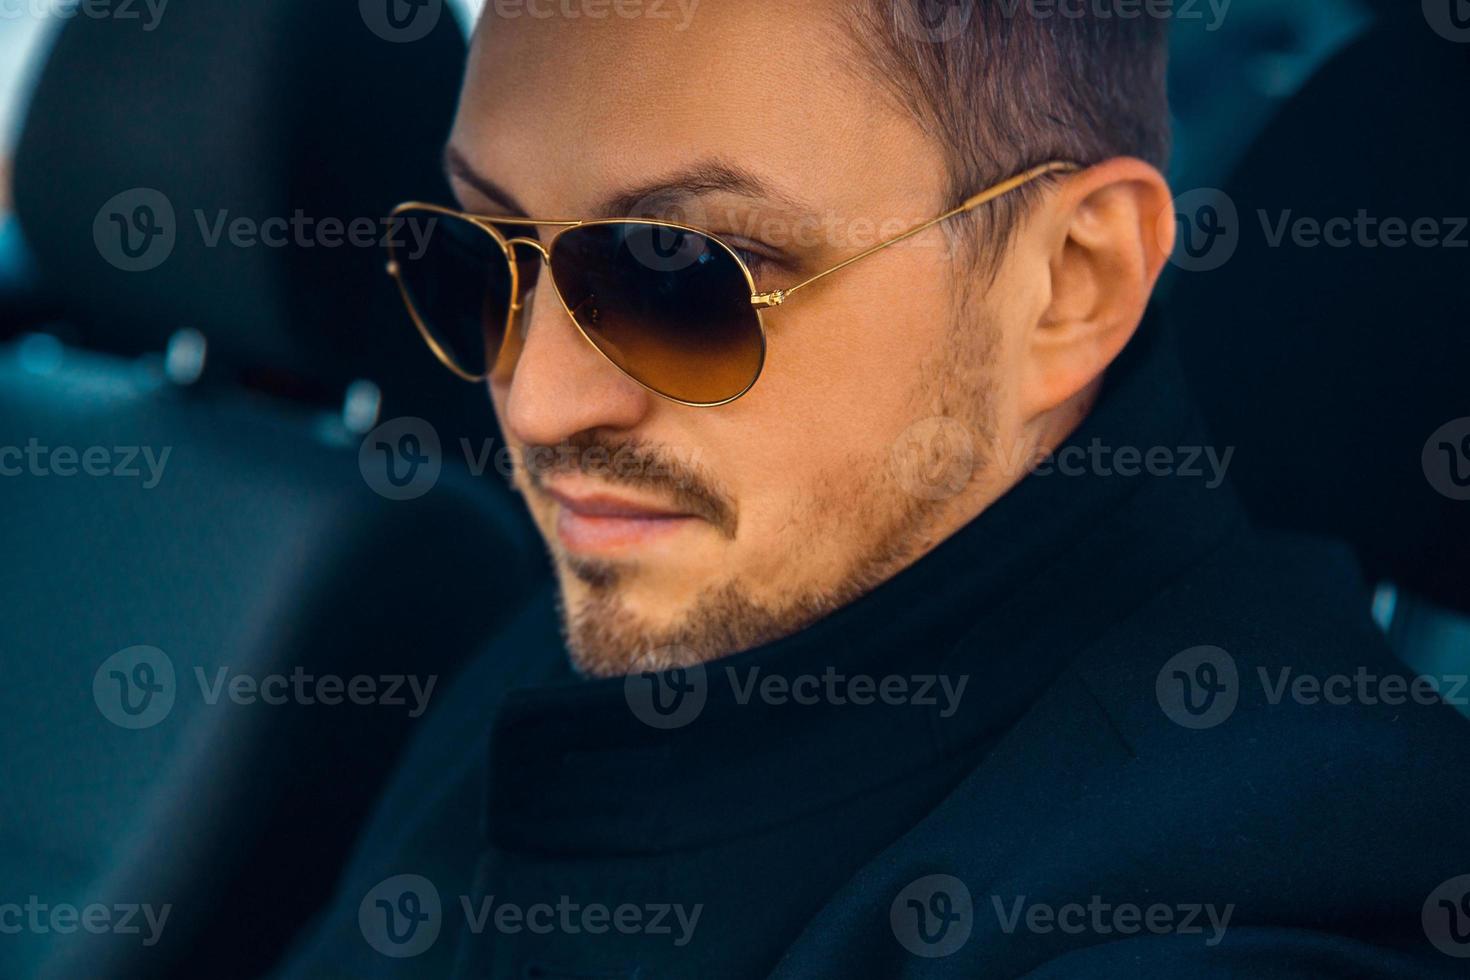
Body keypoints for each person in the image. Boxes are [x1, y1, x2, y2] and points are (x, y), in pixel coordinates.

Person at [280, 2, 1470, 976]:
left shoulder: (1255, 901)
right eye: (478, 258)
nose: (536, 404)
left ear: (1070, 281)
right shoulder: (573, 643)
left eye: (679, 272)